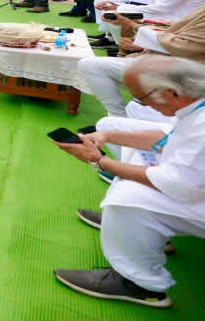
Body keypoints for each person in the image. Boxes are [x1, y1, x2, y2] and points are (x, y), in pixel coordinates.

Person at [52, 55, 205, 308]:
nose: (140, 103)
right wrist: (106, 136)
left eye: (141, 97)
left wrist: (98, 160)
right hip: (192, 177)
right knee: (108, 125)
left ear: (171, 91)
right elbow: (168, 135)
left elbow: (179, 185)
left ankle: (140, 285)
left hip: (191, 187)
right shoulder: (194, 100)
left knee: (126, 199)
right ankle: (151, 229)